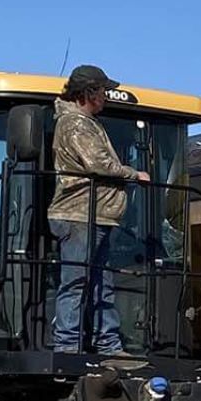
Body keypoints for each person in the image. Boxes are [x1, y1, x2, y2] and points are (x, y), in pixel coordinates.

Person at [47, 64, 146, 355]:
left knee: (100, 281)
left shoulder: (84, 122)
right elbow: (98, 163)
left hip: (95, 215)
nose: (106, 96)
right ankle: (68, 345)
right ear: (88, 92)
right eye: (103, 91)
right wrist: (133, 174)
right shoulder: (76, 124)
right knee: (77, 281)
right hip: (78, 214)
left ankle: (107, 342)